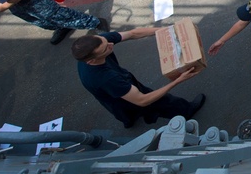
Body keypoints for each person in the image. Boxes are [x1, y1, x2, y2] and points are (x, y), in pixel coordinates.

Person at [71, 29, 205, 129]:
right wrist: (178, 80)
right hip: (118, 90)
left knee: (121, 110)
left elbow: (132, 34)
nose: (111, 44)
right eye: (106, 48)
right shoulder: (106, 79)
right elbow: (142, 100)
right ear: (92, 60)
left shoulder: (98, 42)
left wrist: (164, 31)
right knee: (157, 101)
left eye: (108, 42)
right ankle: (186, 110)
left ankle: (128, 119)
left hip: (109, 94)